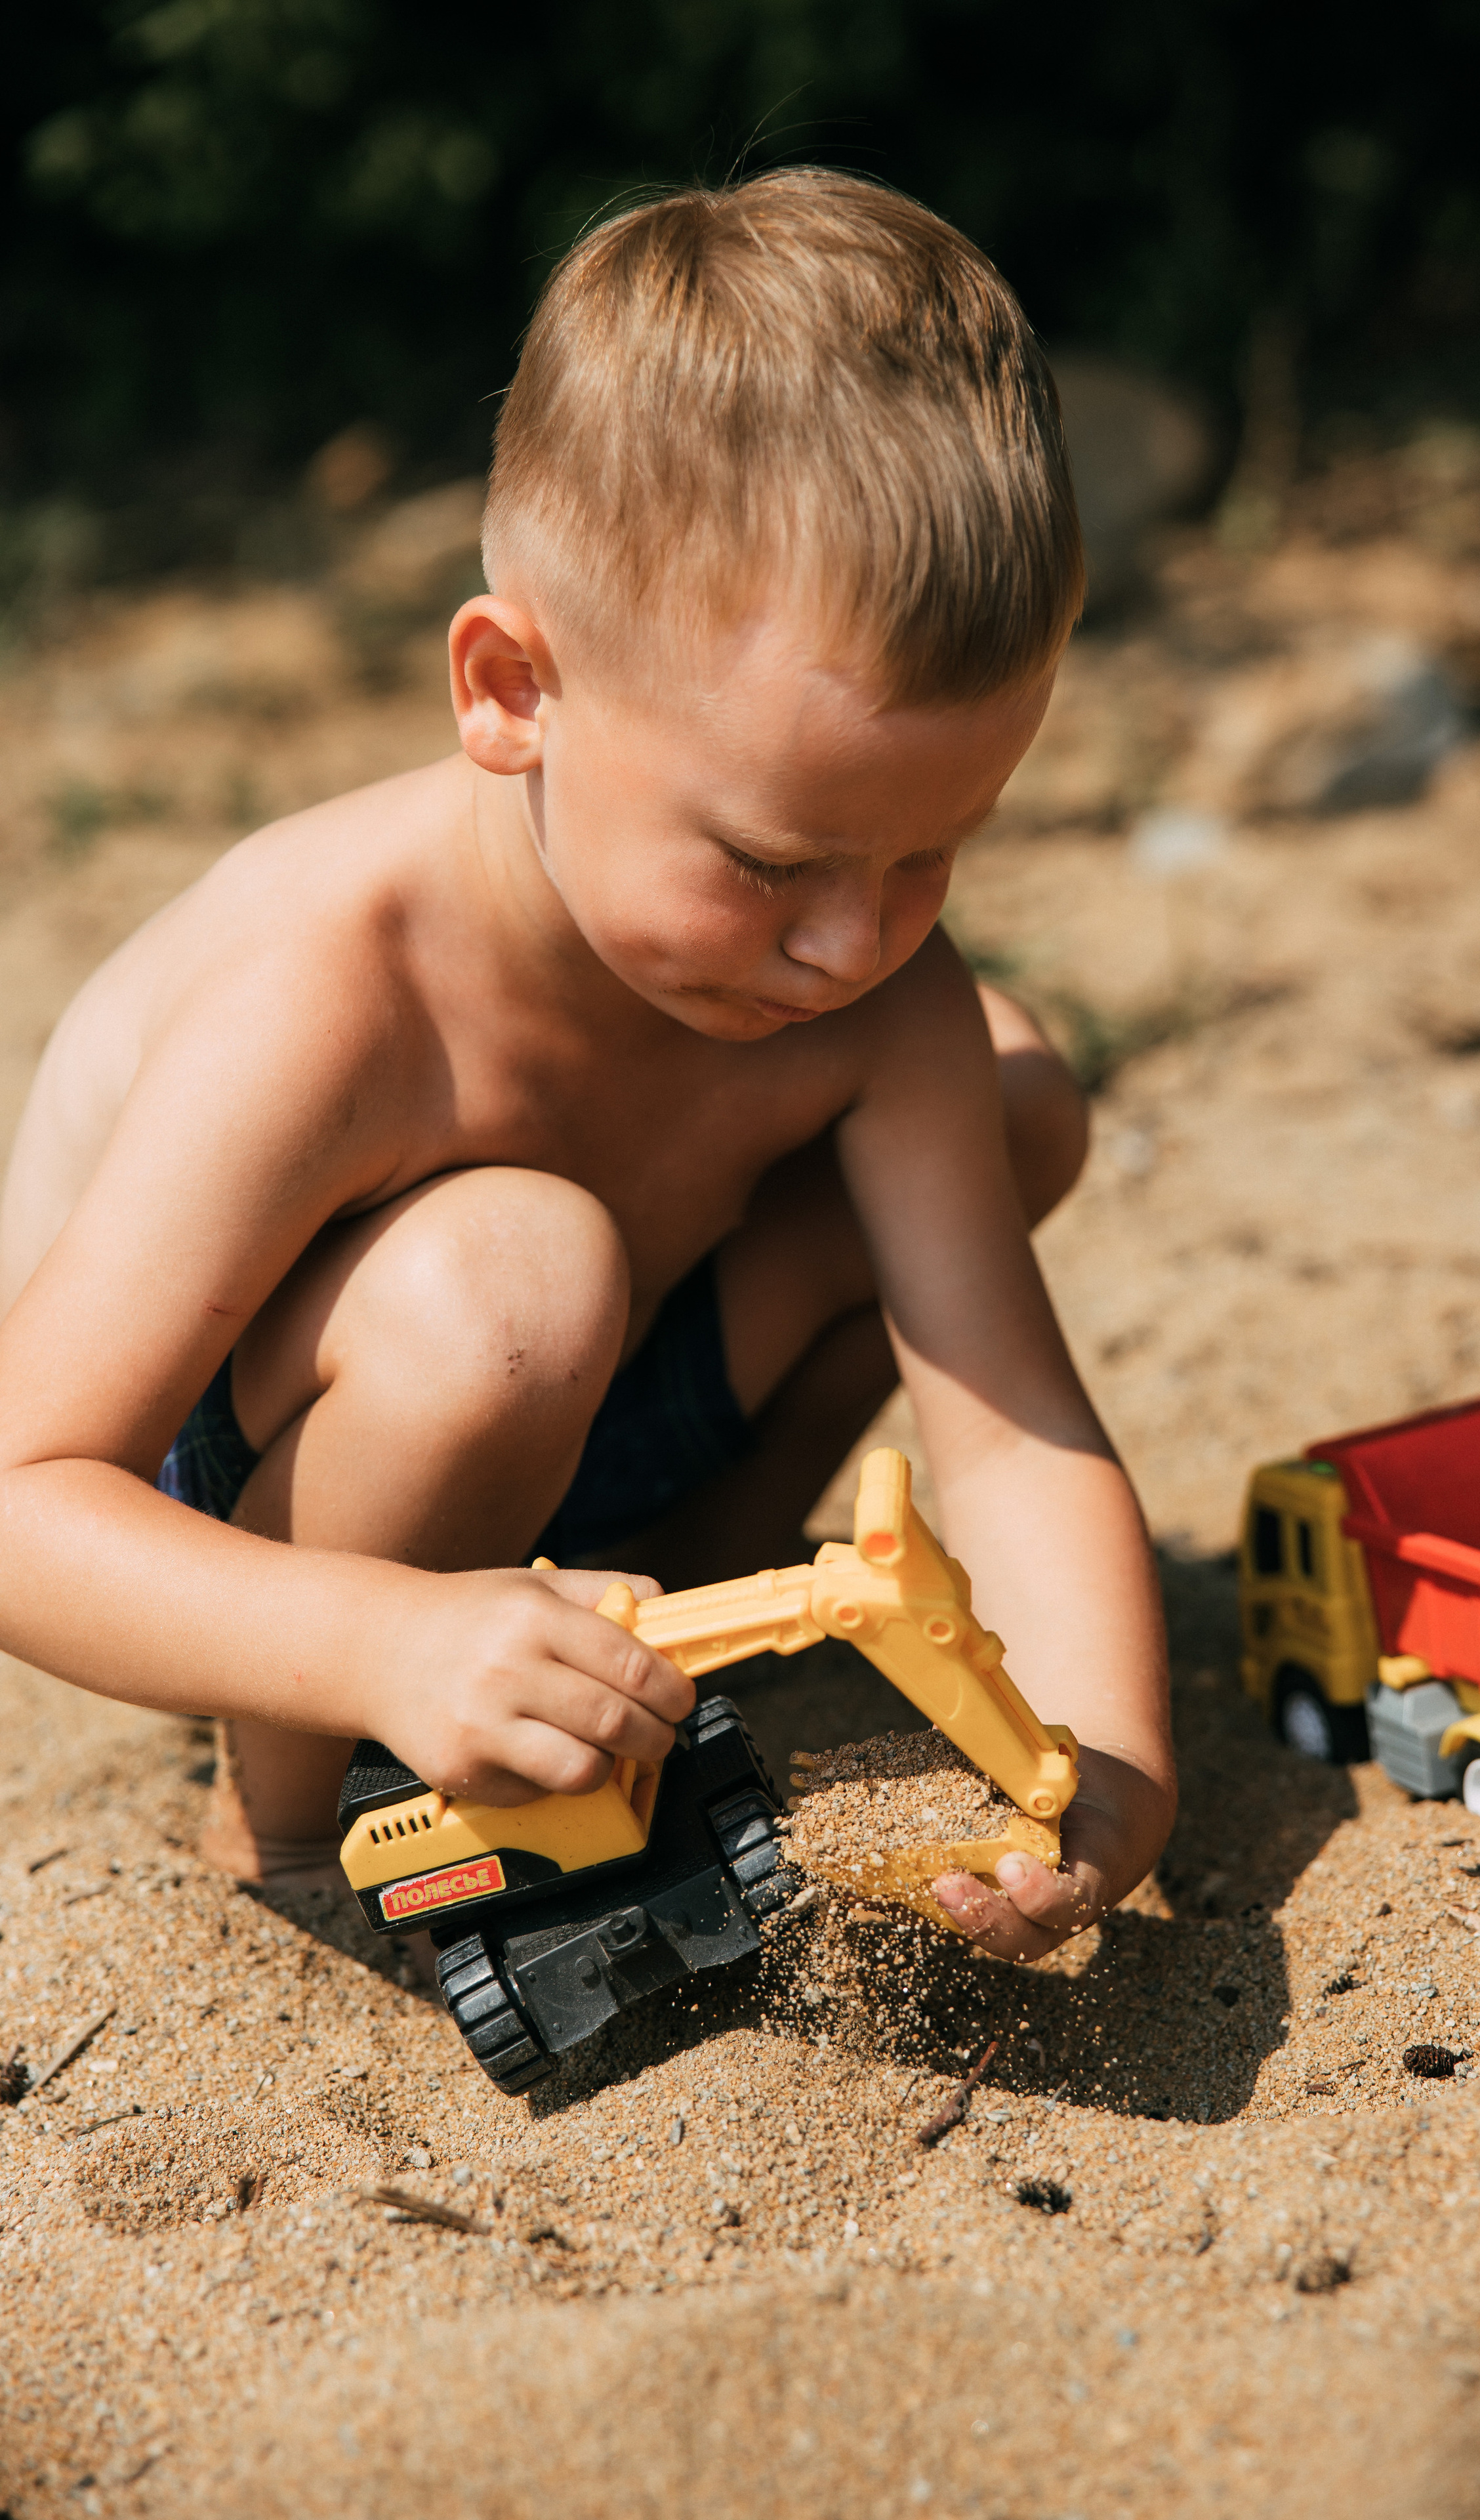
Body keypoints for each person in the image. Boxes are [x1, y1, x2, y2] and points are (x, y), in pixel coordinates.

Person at [0, 170, 1173, 1964]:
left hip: (598, 1405)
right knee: (511, 1280)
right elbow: (26, 1504)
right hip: (252, 1531)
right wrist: (378, 1641)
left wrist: (1109, 1782)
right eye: (775, 863)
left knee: (1013, 1097)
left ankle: (679, 1623)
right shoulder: (332, 988)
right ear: (510, 693)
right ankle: (293, 1808)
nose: (855, 945)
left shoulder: (875, 977)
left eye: (934, 850)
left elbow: (1007, 1438)